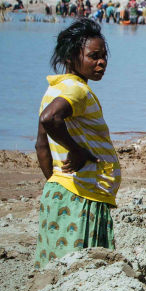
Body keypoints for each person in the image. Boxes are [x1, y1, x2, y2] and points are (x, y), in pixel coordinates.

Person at [34, 19, 120, 267]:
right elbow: (50, 118)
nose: (102, 62)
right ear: (72, 57)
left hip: (57, 195)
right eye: (94, 56)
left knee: (54, 274)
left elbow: (41, 146)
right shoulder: (78, 91)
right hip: (83, 201)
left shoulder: (53, 89)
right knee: (84, 272)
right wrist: (78, 150)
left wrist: (56, 182)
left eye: (104, 56)